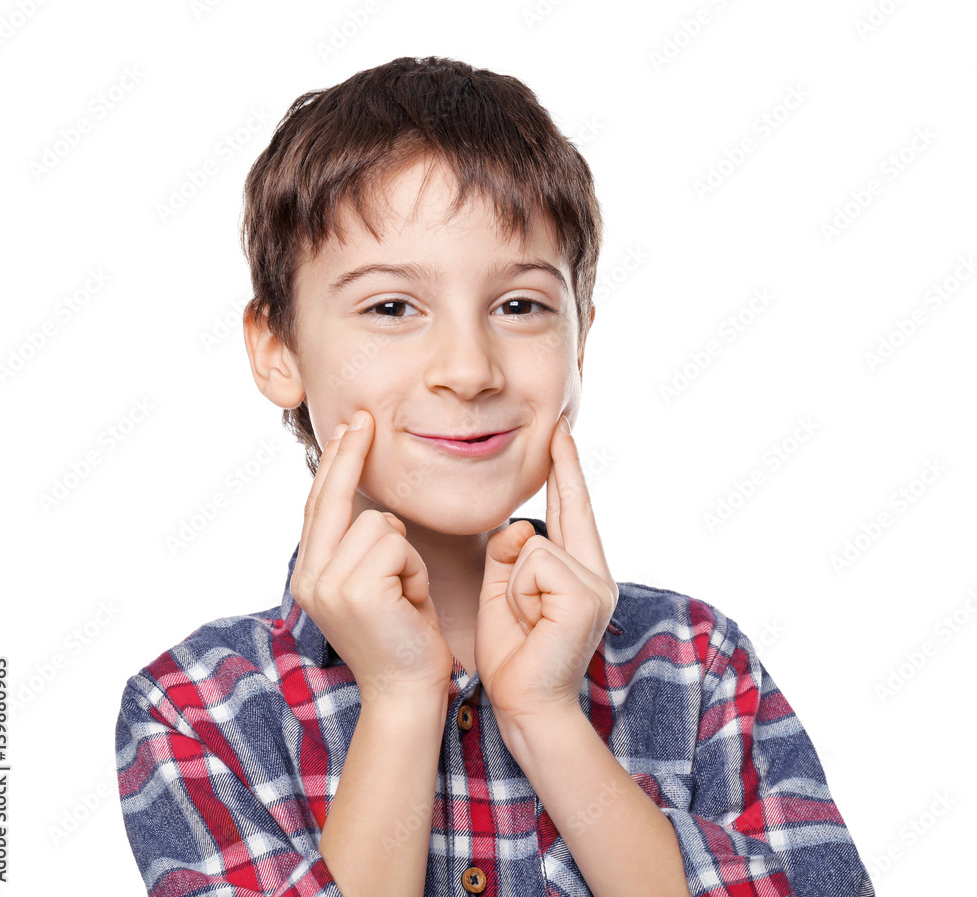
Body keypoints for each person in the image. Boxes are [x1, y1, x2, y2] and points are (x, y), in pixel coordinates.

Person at [115, 56, 874, 897]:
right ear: (278, 349)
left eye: (520, 306)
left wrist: (548, 718)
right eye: (391, 307)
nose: (470, 370)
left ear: (579, 341)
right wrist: (402, 700)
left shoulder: (696, 667)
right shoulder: (197, 708)